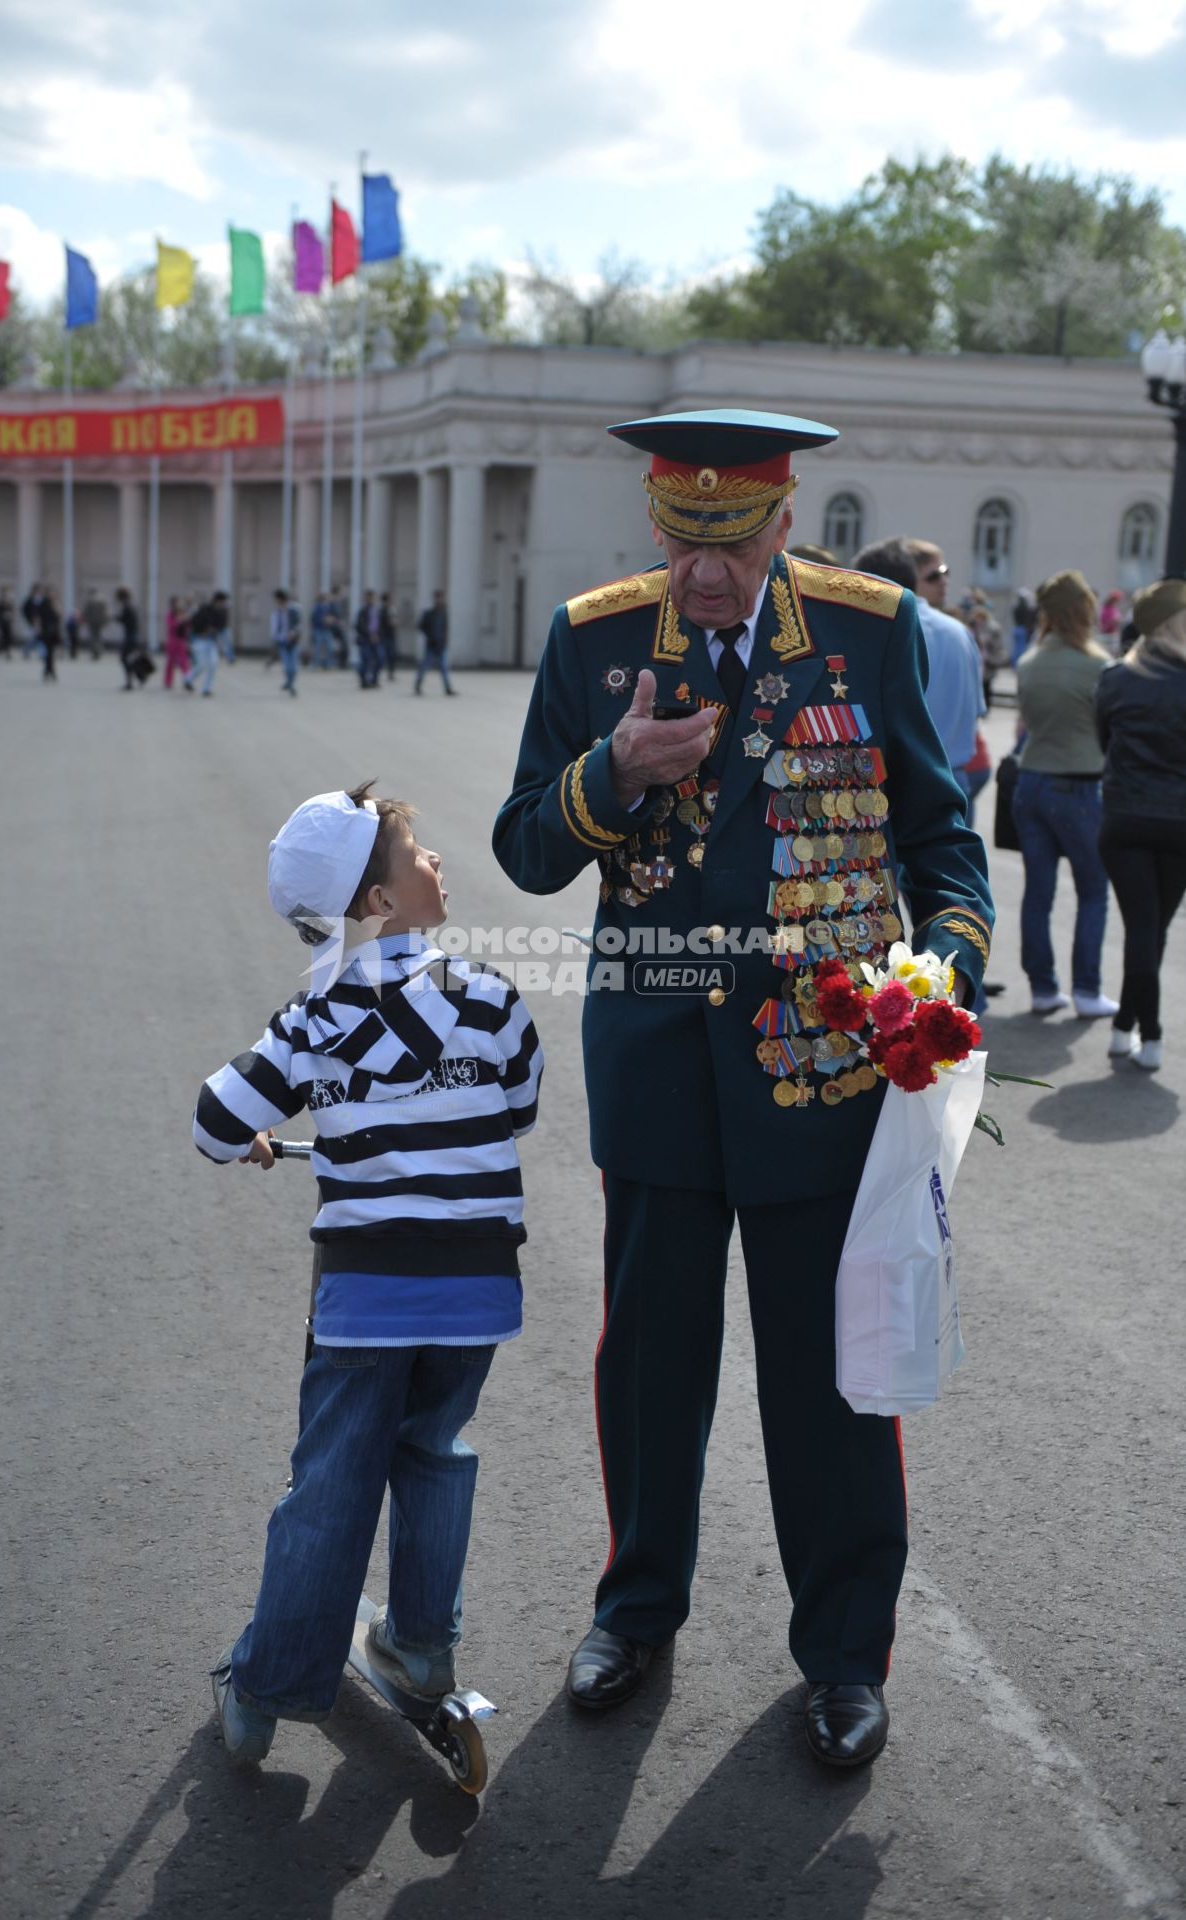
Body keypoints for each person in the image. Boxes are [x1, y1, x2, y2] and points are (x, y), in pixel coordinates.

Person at [494, 408, 993, 1769]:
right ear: (657, 524)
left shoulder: (870, 629)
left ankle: (843, 1653)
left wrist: (942, 974)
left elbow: (944, 843)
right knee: (652, 1360)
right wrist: (615, 773)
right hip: (655, 1056)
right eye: (678, 539)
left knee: (827, 1374)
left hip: (819, 1068)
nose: (701, 573)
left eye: (729, 541)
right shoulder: (595, 639)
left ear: (785, 522)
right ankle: (635, 1610)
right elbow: (527, 847)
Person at [193, 785, 544, 1766]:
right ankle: (424, 1649)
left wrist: (264, 1136)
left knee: (333, 1481)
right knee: (435, 1452)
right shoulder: (490, 996)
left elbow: (212, 1123)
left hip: (367, 1294)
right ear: (376, 900)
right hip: (477, 1290)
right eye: (418, 853)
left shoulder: (314, 1017)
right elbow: (515, 1109)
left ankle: (269, 1685)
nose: (436, 862)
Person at [1012, 570, 1117, 1018]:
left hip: (1029, 781)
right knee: (1093, 890)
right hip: (1077, 785)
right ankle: (1088, 990)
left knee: (1039, 892)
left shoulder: (1029, 661)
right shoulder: (1098, 667)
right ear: (1084, 612)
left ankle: (1042, 987)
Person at [1095, 577, 1186, 1072]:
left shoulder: (1115, 678)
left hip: (1124, 817)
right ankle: (1149, 1034)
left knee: (1144, 931)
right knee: (1152, 932)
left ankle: (1124, 1027)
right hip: (1178, 822)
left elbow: (1104, 741)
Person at [903, 538, 986, 807]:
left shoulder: (953, 630)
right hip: (953, 777)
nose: (944, 581)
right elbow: (976, 711)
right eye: (933, 575)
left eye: (945, 572)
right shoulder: (959, 631)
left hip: (922, 779)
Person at [415, 588, 456, 696]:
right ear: (435, 599)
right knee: (424, 666)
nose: (439, 600)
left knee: (444, 668)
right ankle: (418, 685)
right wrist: (429, 635)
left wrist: (445, 641)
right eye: (437, 598)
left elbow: (445, 629)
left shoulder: (444, 613)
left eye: (441, 598)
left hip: (441, 645)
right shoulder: (428, 613)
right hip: (431, 645)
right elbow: (420, 626)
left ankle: (448, 688)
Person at [185, 592, 226, 697]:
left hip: (211, 642)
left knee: (213, 664)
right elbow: (194, 623)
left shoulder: (222, 612)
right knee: (201, 665)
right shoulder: (204, 609)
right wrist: (202, 632)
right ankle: (188, 679)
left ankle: (206, 689)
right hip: (199, 641)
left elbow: (221, 626)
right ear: (217, 600)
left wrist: (213, 630)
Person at [270, 589, 300, 696]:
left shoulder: (293, 610)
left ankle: (290, 683)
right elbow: (274, 629)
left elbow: (298, 623)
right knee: (287, 665)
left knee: (294, 666)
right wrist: (276, 639)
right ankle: (290, 684)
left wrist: (294, 632)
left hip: (293, 641)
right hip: (282, 641)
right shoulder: (276, 612)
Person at [116, 587, 143, 690]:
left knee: (124, 658)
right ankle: (134, 679)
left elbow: (124, 619)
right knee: (128, 659)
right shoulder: (130, 605)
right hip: (132, 635)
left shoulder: (127, 606)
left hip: (130, 636)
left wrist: (115, 617)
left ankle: (133, 679)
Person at [355, 589, 382, 688]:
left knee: (379, 659)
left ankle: (374, 679)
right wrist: (369, 634)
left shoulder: (377, 610)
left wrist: (377, 635)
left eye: (372, 598)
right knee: (365, 660)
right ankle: (364, 681)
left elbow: (380, 625)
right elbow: (359, 625)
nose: (370, 600)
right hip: (365, 639)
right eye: (368, 598)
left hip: (376, 639)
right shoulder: (362, 611)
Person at [164, 596, 192, 689]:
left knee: (184, 661)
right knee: (170, 662)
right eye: (178, 603)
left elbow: (188, 626)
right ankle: (168, 681)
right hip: (172, 640)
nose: (180, 605)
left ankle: (187, 680)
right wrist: (179, 621)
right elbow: (171, 626)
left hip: (181, 640)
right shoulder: (170, 615)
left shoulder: (183, 614)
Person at [38, 587, 62, 682]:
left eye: (53, 593)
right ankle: (49, 670)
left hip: (54, 631)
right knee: (48, 652)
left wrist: (57, 607)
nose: (51, 595)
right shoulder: (43, 604)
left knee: (51, 652)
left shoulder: (55, 604)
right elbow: (39, 617)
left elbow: (59, 616)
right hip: (45, 631)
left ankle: (48, 671)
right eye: (50, 593)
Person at [310, 590, 334, 670]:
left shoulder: (327, 607)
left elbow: (332, 617)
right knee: (318, 647)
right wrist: (323, 620)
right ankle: (315, 664)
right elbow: (314, 619)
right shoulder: (316, 607)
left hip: (326, 629)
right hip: (319, 629)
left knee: (329, 647)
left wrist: (330, 620)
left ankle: (327, 664)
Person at [82, 587, 108, 662]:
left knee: (93, 637)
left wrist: (84, 618)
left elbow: (86, 611)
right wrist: (105, 620)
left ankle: (95, 652)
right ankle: (99, 651)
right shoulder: (102, 599)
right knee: (99, 636)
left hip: (92, 621)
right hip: (100, 621)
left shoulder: (90, 600)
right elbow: (105, 611)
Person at [20, 583, 44, 660]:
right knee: (37, 638)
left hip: (41, 622)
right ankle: (41, 653)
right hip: (32, 622)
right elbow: (24, 610)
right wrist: (30, 619)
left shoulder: (41, 600)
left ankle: (27, 649)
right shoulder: (29, 600)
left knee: (39, 638)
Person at [380, 593, 398, 682]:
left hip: (390, 636)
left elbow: (394, 621)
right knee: (382, 656)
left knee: (392, 655)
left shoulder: (391, 609)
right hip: (384, 636)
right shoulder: (382, 610)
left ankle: (391, 673)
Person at [0, 587, 16, 660]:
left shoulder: (9, 603)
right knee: (3, 637)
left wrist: (11, 617)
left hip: (8, 623)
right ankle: (1, 649)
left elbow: (12, 612)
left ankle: (7, 651)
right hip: (2, 623)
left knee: (8, 637)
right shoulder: (0, 603)